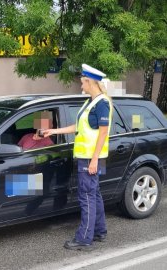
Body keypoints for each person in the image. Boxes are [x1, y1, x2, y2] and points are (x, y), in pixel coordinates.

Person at [43, 64, 112, 250]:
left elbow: (103, 133)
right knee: (94, 194)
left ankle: (84, 239)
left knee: (87, 196)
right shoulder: (90, 102)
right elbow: (79, 127)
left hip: (91, 158)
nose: (81, 86)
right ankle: (99, 231)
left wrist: (95, 160)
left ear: (90, 82)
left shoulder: (102, 104)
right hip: (89, 158)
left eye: (83, 83)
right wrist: (54, 131)